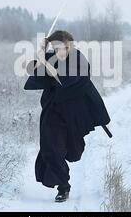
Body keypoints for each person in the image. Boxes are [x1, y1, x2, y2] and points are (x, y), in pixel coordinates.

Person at [24, 30, 111, 202]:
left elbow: (63, 81)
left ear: (70, 45)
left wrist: (45, 64)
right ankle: (63, 186)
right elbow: (34, 72)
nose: (60, 51)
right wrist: (40, 53)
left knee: (73, 148)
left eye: (64, 47)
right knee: (51, 149)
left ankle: (66, 164)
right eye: (56, 48)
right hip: (53, 111)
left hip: (75, 113)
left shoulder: (78, 59)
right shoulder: (51, 56)